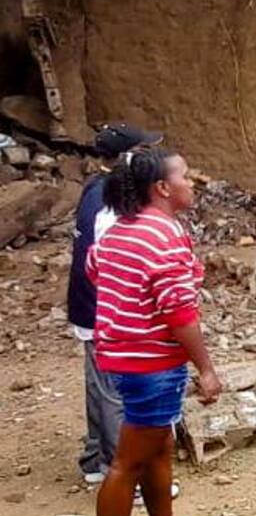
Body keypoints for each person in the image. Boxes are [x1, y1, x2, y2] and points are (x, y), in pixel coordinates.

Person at [84, 147, 222, 516]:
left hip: (121, 357)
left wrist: (126, 318)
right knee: (127, 463)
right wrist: (205, 368)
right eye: (184, 175)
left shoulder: (120, 230)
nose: (192, 182)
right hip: (152, 366)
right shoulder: (164, 237)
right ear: (162, 188)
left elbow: (95, 270)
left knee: (157, 445)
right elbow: (180, 312)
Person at [69, 123, 163, 485]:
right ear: (126, 156)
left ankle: (95, 459)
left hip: (88, 306)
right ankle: (123, 473)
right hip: (104, 310)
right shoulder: (110, 203)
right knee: (115, 392)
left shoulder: (95, 189)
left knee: (98, 383)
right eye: (143, 151)